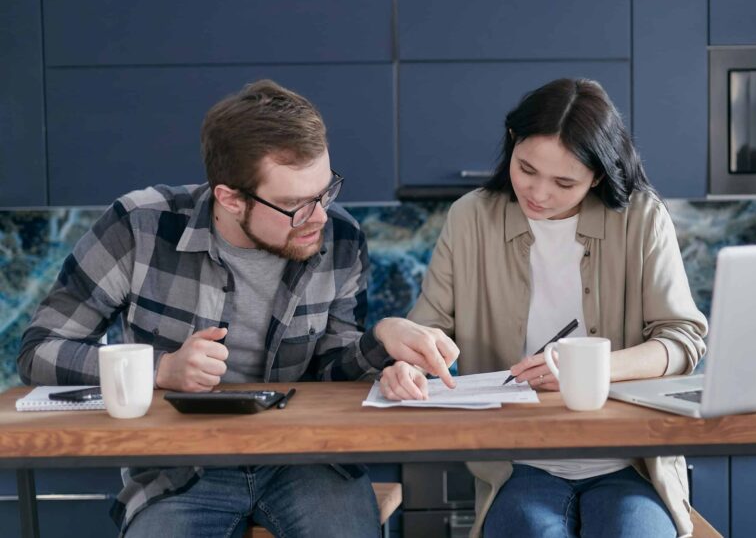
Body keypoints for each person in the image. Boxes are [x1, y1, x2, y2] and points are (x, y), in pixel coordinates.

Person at [16, 79, 458, 538]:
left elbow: (332, 371)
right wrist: (161, 368)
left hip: (306, 458)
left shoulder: (341, 239)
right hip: (179, 467)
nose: (321, 217)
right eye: (295, 206)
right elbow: (40, 351)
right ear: (230, 198)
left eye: (325, 192)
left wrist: (383, 336)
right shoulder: (139, 227)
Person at [378, 78, 708, 537]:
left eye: (564, 182)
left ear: (597, 175)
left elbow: (683, 339)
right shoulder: (471, 218)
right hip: (518, 462)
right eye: (526, 168)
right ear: (511, 142)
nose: (538, 193)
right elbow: (428, 330)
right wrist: (408, 363)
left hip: (630, 459)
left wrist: (589, 370)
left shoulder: (641, 218)